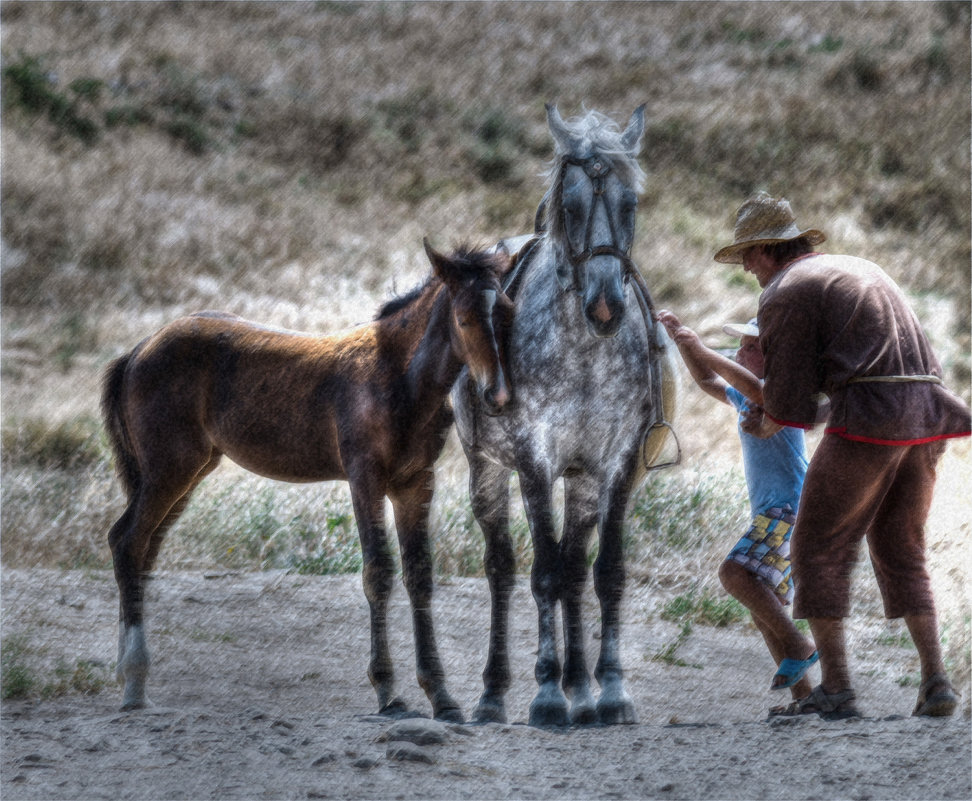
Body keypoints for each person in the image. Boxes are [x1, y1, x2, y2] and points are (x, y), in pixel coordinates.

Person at [713, 191, 971, 719]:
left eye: (746, 254)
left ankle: (836, 688)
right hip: (927, 412)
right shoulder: (857, 266)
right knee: (902, 549)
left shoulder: (784, 290)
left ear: (767, 249)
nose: (744, 267)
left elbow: (790, 401)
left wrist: (766, 420)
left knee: (814, 547)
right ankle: (936, 682)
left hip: (872, 417)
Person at [656, 309, 818, 713]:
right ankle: (805, 697)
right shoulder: (747, 393)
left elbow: (752, 387)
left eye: (751, 348)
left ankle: (800, 645)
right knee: (763, 607)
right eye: (741, 347)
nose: (742, 353)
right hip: (775, 510)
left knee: (734, 574)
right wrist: (685, 345)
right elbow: (710, 381)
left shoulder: (779, 393)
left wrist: (703, 349)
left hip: (788, 508)